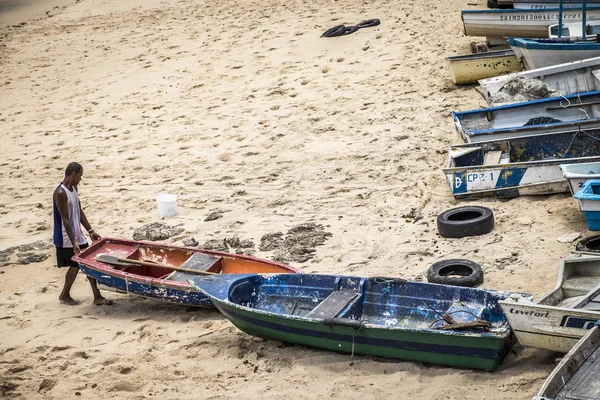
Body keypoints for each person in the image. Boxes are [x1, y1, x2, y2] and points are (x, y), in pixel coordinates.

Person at [53, 162, 112, 305]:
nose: (80, 179)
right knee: (76, 265)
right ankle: (65, 295)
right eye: (79, 176)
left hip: (78, 235)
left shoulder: (73, 188)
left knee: (87, 263)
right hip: (66, 238)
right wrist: (73, 242)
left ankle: (96, 297)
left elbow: (79, 211)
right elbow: (65, 219)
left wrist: (90, 231)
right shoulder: (60, 193)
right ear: (73, 174)